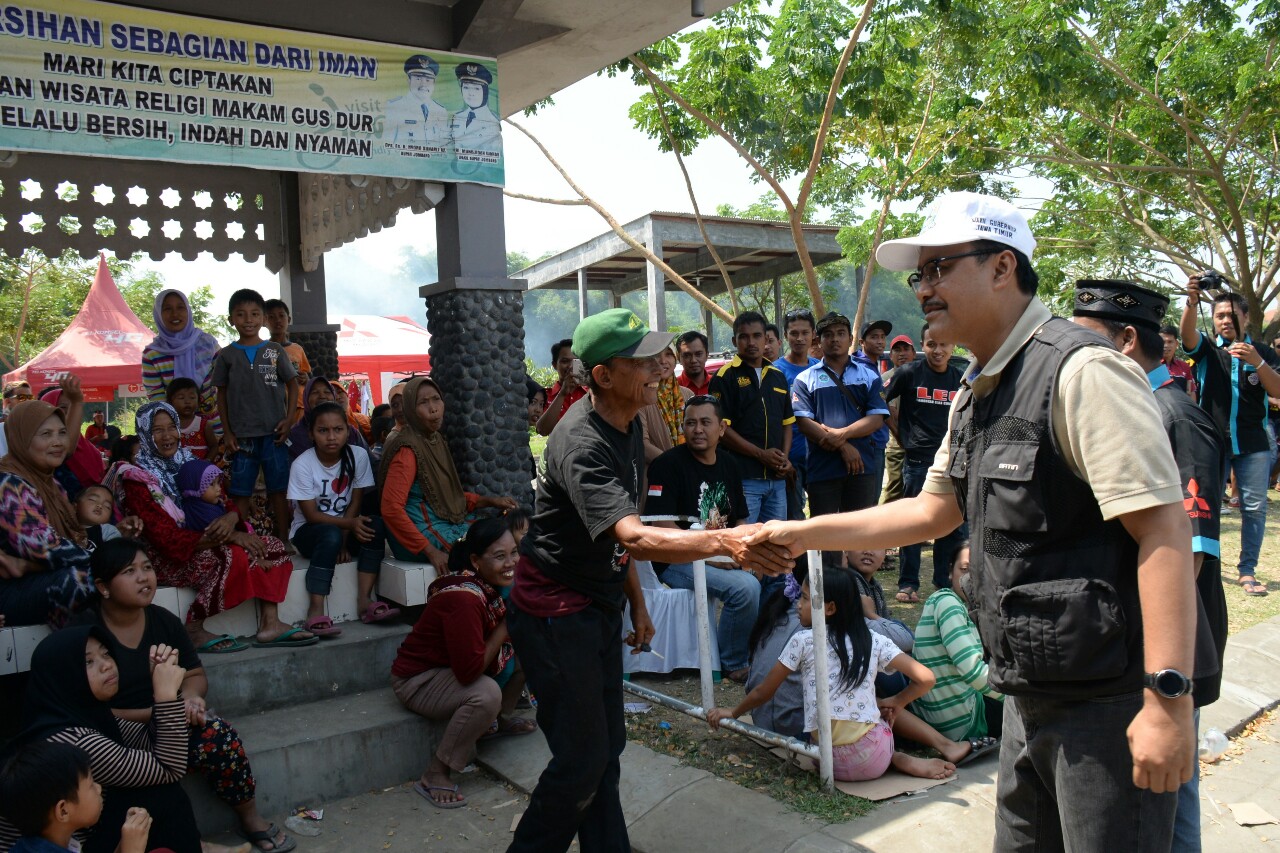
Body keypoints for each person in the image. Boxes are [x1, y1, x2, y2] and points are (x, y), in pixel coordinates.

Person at [754, 191, 1197, 850]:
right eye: (920, 274)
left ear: (1001, 267)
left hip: (1104, 705)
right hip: (1025, 693)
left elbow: (1163, 531)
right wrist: (799, 533)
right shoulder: (978, 387)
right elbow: (930, 510)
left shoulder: (1083, 372)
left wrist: (1168, 702)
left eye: (939, 268)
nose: (925, 289)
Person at [506, 308, 792, 852]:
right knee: (580, 764)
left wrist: (635, 603)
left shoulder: (629, 423)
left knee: (605, 748)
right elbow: (635, 536)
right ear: (603, 376)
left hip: (595, 604)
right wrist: (729, 541)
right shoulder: (581, 445)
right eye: (642, 359)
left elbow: (616, 541)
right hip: (553, 616)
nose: (659, 365)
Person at [1071, 278, 1229, 853]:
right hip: (1132, 641)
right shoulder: (1132, 406)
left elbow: (1185, 553)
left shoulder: (1175, 417)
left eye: (1086, 342)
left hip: (1165, 646)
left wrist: (1161, 675)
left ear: (1128, 341)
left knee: (1166, 792)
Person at [75, 540, 292, 852]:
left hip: (168, 718)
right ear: (103, 586)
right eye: (129, 571)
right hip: (112, 733)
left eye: (147, 568)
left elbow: (194, 675)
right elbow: (86, 708)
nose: (143, 577)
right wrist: (163, 711)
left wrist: (191, 698)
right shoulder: (84, 632)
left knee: (217, 735)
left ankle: (249, 817)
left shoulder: (163, 620)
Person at [708, 568, 973, 783]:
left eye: (803, 598)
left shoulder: (802, 640)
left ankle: (895, 756)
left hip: (825, 761)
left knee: (862, 709)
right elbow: (926, 678)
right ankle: (894, 756)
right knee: (878, 705)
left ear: (831, 608)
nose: (797, 605)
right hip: (873, 759)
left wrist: (733, 711)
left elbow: (763, 692)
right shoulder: (873, 640)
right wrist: (898, 701)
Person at [114, 402, 311, 651]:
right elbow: (167, 540)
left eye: (171, 427)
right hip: (164, 556)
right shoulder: (138, 478)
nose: (167, 436)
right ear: (144, 434)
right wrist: (231, 537)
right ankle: (194, 628)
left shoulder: (187, 460)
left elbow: (222, 498)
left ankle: (270, 624)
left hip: (209, 538)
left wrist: (231, 519)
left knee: (269, 544)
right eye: (157, 430)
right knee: (231, 555)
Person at [0, 625, 203, 853]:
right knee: (164, 796)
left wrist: (166, 690)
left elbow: (149, 742)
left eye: (106, 653)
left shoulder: (87, 715)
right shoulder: (73, 739)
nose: (106, 664)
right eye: (88, 662)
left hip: (75, 835)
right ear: (65, 675)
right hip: (58, 845)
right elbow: (169, 767)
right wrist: (165, 696)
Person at [392, 517, 534, 809]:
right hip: (418, 681)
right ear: (475, 561)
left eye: (514, 553)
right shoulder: (465, 599)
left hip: (447, 670)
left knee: (529, 652)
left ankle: (497, 722)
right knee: (485, 694)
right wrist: (504, 628)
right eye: (499, 556)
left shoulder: (485, 584)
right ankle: (435, 772)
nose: (511, 563)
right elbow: (469, 672)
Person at [643, 395, 757, 682]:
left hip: (719, 552)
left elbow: (740, 519)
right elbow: (663, 529)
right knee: (745, 589)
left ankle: (752, 648)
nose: (697, 429)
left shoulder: (730, 464)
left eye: (706, 422)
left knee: (769, 575)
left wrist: (746, 553)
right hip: (674, 559)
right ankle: (732, 662)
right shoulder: (666, 464)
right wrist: (713, 557)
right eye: (690, 423)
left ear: (721, 428)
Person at [1179, 279, 1280, 597]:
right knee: (1204, 506)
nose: (1224, 320)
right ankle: (1205, 566)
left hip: (1253, 444)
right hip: (1213, 443)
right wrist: (1192, 303)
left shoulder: (1262, 352)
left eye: (1231, 315)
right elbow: (1187, 337)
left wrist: (1258, 363)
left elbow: (1277, 391)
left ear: (1246, 318)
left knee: (1254, 508)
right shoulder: (1208, 350)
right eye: (1220, 315)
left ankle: (1247, 572)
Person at [380, 376, 516, 568]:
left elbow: (447, 495)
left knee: (506, 535)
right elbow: (391, 508)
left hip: (443, 524)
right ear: (410, 409)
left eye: (436, 399)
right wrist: (431, 551)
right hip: (417, 535)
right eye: (423, 403)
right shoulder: (407, 450)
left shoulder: (434, 440)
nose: (433, 408)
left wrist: (490, 501)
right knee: (487, 551)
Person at [290, 401, 397, 633]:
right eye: (323, 430)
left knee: (375, 525)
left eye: (338, 429)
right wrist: (343, 531)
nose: (331, 437)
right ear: (311, 434)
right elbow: (310, 515)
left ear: (348, 431)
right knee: (329, 535)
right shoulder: (302, 464)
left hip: (345, 529)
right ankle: (316, 609)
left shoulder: (358, 456)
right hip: (309, 533)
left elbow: (356, 502)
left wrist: (345, 538)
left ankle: (364, 601)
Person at [792, 312, 888, 555]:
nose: (835, 339)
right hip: (822, 470)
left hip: (862, 467)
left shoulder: (867, 375)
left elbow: (876, 418)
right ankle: (825, 590)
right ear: (819, 340)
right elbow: (804, 422)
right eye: (828, 335)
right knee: (824, 539)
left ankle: (857, 590)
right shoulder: (805, 379)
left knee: (860, 535)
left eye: (840, 334)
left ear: (850, 338)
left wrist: (842, 433)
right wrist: (844, 446)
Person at [885, 323, 966, 599]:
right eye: (932, 344)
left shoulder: (961, 378)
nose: (938, 350)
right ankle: (908, 583)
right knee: (913, 524)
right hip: (917, 462)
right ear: (923, 345)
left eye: (944, 344)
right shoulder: (908, 373)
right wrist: (898, 432)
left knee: (951, 525)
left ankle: (943, 582)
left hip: (951, 463)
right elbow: (878, 399)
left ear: (953, 345)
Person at [0, 399, 98, 628]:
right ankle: (83, 654)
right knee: (83, 579)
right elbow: (45, 548)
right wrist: (106, 560)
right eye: (45, 434)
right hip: (8, 593)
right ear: (21, 439)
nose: (57, 442)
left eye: (62, 433)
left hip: (35, 580)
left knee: (126, 568)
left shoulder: (51, 484)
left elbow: (73, 538)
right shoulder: (8, 484)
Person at [212, 289, 299, 544]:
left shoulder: (274, 350)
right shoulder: (226, 355)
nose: (248, 319)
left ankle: (283, 540)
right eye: (240, 314)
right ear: (231, 319)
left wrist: (289, 418)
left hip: (275, 434)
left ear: (263, 319)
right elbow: (221, 395)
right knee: (241, 491)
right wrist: (227, 432)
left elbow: (293, 384)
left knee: (278, 490)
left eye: (254, 314)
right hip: (242, 436)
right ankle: (240, 539)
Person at [912, 542, 1004, 743]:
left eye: (980, 571)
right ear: (950, 573)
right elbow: (972, 671)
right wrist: (1014, 697)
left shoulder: (958, 605)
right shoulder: (949, 604)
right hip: (962, 721)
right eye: (964, 570)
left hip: (946, 715)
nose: (971, 578)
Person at [711, 310, 794, 531]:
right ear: (734, 341)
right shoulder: (724, 377)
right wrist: (761, 455)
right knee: (746, 544)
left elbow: (787, 423)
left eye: (757, 336)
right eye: (743, 337)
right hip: (744, 478)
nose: (751, 342)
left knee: (776, 543)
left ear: (766, 339)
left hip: (776, 480)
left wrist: (783, 459)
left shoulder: (777, 376)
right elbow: (722, 429)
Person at [0, 742, 157, 853]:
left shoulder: (50, 842)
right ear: (63, 811)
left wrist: (125, 844)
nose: (99, 788)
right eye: (90, 785)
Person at [745, 565, 807, 739]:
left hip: (768, 720)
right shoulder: (806, 636)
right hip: (792, 728)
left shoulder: (781, 611)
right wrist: (733, 713)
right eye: (803, 598)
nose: (799, 606)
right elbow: (763, 691)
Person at [142, 289, 221, 425]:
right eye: (167, 309)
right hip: (177, 432)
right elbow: (156, 397)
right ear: (158, 314)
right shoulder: (152, 354)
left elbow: (224, 384)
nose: (175, 314)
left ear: (188, 311)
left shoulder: (208, 344)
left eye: (180, 307)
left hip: (215, 427)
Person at [774, 309, 820, 522]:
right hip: (790, 458)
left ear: (813, 335)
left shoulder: (821, 369)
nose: (799, 338)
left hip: (820, 456)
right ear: (785, 336)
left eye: (805, 333)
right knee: (794, 517)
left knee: (824, 516)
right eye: (794, 333)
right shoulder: (775, 372)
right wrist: (783, 457)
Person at [846, 548, 914, 653]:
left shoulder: (875, 585)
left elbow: (885, 621)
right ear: (846, 550)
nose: (868, 551)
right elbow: (904, 642)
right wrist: (871, 615)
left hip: (878, 643)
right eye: (860, 544)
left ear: (885, 554)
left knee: (898, 625)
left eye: (876, 546)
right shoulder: (848, 582)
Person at [287, 376, 368, 461]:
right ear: (306, 398)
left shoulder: (351, 432)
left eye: (327, 392)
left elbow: (369, 461)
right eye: (315, 392)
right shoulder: (294, 436)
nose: (322, 396)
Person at [40, 385, 105, 491]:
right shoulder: (44, 447)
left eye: (74, 408)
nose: (71, 413)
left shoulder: (84, 444)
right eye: (63, 407)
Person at [879, 334, 918, 505]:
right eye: (897, 350)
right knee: (895, 488)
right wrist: (901, 438)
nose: (902, 353)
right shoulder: (886, 379)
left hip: (921, 444)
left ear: (914, 352)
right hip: (896, 444)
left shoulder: (922, 376)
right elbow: (888, 412)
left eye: (906, 349)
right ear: (891, 355)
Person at [638, 345, 692, 464]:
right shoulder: (641, 396)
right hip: (656, 474)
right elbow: (643, 445)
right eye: (656, 355)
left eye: (668, 354)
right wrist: (677, 465)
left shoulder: (687, 394)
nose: (663, 361)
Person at [262, 299, 312, 428]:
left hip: (299, 406)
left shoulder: (298, 349)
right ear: (264, 321)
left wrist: (306, 378)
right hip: (274, 407)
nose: (277, 320)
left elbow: (307, 375)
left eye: (281, 316)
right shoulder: (262, 350)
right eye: (271, 317)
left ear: (288, 319)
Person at [384, 55, 451, 148]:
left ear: (434, 83)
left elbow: (444, 147)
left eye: (428, 80)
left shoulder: (441, 111)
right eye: (418, 79)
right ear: (409, 80)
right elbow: (386, 145)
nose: (423, 84)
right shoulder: (395, 106)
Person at [534, 339, 585, 437]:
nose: (570, 366)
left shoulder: (591, 393)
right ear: (554, 365)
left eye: (575, 361)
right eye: (565, 361)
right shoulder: (545, 396)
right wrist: (562, 393)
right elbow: (542, 430)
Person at [449, 62, 501, 155]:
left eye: (476, 88)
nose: (470, 93)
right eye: (466, 87)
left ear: (485, 92)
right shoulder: (457, 117)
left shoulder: (493, 123)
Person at [166, 377, 220, 463]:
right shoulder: (168, 426)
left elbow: (214, 446)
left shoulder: (203, 424)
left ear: (199, 402)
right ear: (170, 402)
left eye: (192, 397)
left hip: (200, 472)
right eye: (181, 398)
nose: (187, 401)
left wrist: (207, 461)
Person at [177, 459, 227, 533]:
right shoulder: (206, 515)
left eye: (218, 483)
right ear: (195, 488)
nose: (219, 488)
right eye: (212, 484)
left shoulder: (193, 506)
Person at [1160, 324, 1197, 400]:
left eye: (1170, 342)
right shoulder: (1150, 365)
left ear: (1176, 344)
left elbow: (1191, 392)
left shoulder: (1185, 367)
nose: (1166, 345)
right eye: (1162, 342)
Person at [676, 330, 712, 396]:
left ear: (707, 355)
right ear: (678, 358)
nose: (693, 360)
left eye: (698, 354)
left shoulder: (718, 384)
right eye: (687, 355)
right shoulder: (672, 388)